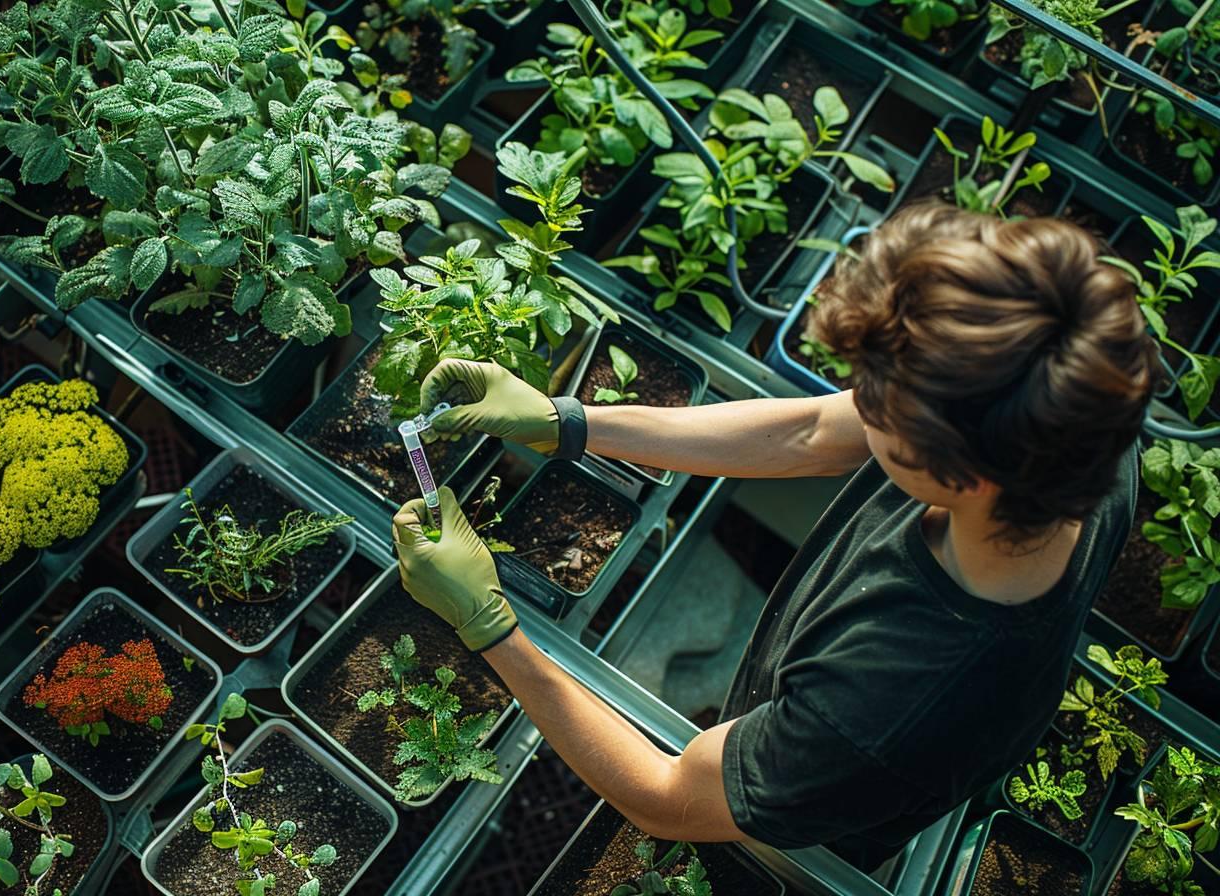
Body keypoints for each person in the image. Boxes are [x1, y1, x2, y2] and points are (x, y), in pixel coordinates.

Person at [389, 203, 1160, 873]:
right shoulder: (1080, 419)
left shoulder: (882, 704)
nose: (856, 402)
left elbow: (665, 798)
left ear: (962, 476)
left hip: (796, 829)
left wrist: (489, 624)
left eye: (880, 407)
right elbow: (812, 431)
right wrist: (569, 424)